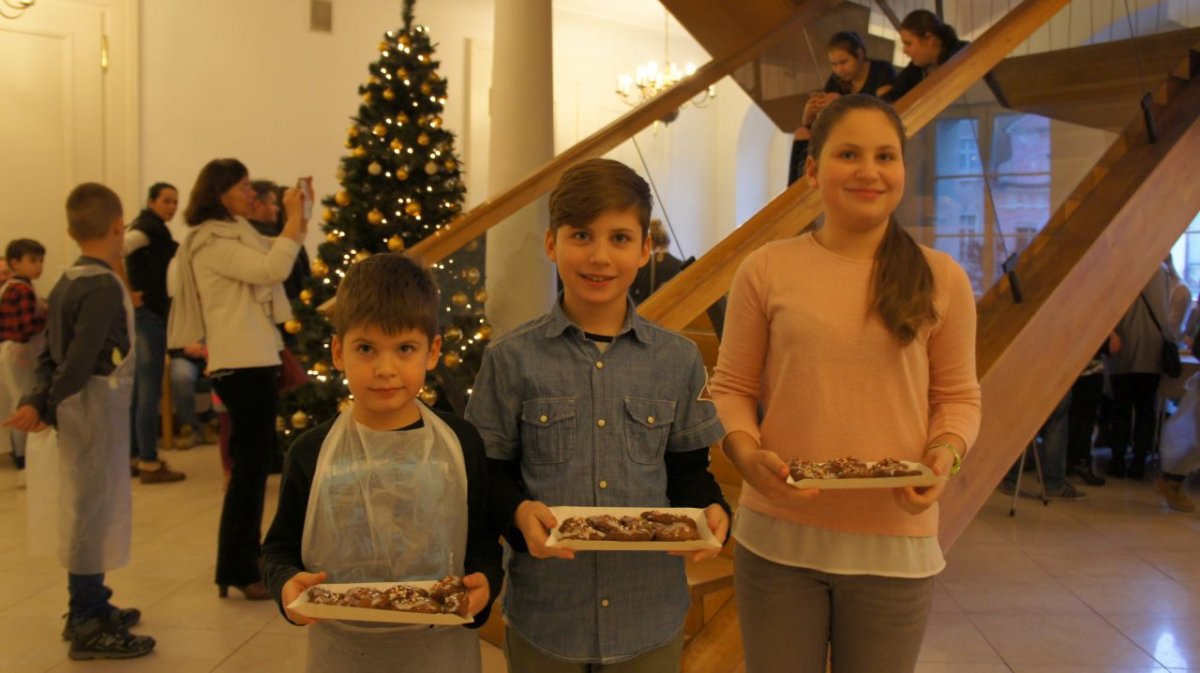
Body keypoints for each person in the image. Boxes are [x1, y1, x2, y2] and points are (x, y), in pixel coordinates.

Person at [710, 94, 981, 673]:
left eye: (885, 156)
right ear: (812, 170)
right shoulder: (766, 267)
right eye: (849, 154)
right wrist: (746, 452)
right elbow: (731, 386)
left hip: (895, 540)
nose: (868, 171)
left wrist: (946, 455)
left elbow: (958, 398)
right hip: (779, 537)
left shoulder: (943, 278)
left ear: (902, 169)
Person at [465, 158, 731, 671]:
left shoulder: (677, 359)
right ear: (552, 243)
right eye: (582, 235)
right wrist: (517, 514)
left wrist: (714, 511)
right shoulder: (510, 358)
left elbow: (688, 472)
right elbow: (490, 474)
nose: (600, 256)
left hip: (648, 616)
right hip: (547, 618)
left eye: (620, 238)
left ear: (645, 249)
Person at [262, 253, 502, 672]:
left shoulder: (460, 444)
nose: (385, 369)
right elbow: (277, 550)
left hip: (440, 655)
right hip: (342, 655)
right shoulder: (311, 452)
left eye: (405, 348)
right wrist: (286, 585)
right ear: (339, 352)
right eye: (366, 349)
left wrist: (486, 582)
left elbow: (481, 543)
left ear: (433, 351)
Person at [4, 183, 155, 660]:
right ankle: (87, 619)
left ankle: (92, 601)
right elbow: (81, 358)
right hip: (92, 410)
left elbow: (49, 354)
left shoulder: (65, 281)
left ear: (70, 232)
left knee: (91, 506)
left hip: (78, 408)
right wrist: (45, 405)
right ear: (119, 226)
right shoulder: (104, 285)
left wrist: (38, 399)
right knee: (92, 511)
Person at [168, 158, 307, 600]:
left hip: (254, 358)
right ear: (220, 193)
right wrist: (293, 221)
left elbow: (277, 256)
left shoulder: (237, 231)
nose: (252, 194)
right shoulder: (211, 240)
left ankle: (244, 561)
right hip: (240, 362)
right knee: (248, 471)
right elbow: (271, 270)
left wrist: (298, 219)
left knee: (253, 466)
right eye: (243, 187)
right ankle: (239, 568)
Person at [124, 182, 186, 483]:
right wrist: (127, 292)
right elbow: (117, 249)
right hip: (148, 315)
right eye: (166, 201)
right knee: (149, 391)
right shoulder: (147, 229)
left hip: (147, 314)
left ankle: (135, 456)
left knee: (140, 390)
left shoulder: (154, 229)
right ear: (151, 202)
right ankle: (148, 461)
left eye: (175, 201)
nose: (172, 206)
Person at [790, 31, 896, 185]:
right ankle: (796, 189)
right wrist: (809, 114)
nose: (839, 70)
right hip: (841, 131)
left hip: (869, 131)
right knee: (802, 132)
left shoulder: (881, 70)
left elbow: (885, 109)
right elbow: (820, 123)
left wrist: (843, 103)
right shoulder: (836, 80)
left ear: (859, 54)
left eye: (844, 62)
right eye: (834, 64)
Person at [1106, 265, 1172, 480]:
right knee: (1146, 410)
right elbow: (1165, 311)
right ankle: (1139, 462)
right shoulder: (1160, 270)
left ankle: (1117, 460)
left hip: (1122, 347)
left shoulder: (1119, 267)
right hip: (1152, 350)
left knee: (1121, 409)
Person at [1, 238, 47, 486]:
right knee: (25, 404)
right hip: (22, 353)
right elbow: (26, 328)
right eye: (33, 261)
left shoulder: (13, 287)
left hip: (15, 351)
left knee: (19, 401)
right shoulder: (21, 291)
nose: (39, 266)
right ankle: (25, 463)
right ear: (15, 263)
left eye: (40, 261)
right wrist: (47, 315)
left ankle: (24, 461)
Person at [883, 10, 969, 103]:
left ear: (929, 39)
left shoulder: (963, 55)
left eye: (909, 43)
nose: (905, 50)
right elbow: (894, 92)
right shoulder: (917, 68)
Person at [249, 179, 312, 304]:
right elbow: (285, 273)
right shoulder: (262, 234)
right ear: (259, 205)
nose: (277, 209)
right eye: (273, 204)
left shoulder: (274, 232)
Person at [629, 218, 683, 304]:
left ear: (649, 244)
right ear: (667, 242)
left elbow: (630, 298)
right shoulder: (680, 266)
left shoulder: (640, 267)